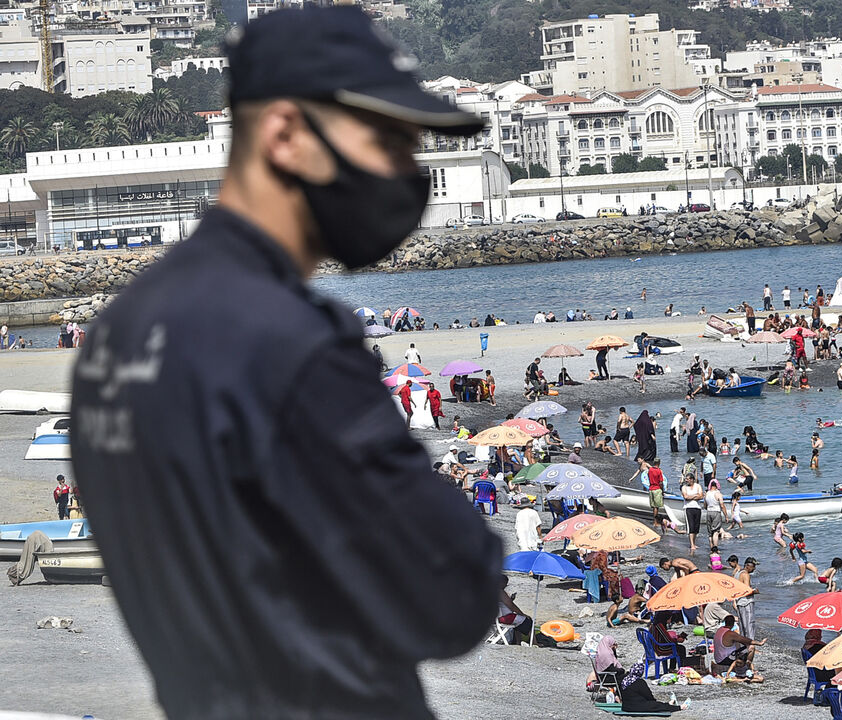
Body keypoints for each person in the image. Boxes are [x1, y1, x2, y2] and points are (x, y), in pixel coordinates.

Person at [66, 9, 504, 717]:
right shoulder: (286, 342)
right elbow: (452, 594)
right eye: (388, 142)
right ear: (285, 133)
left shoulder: (121, 331)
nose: (407, 173)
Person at [588, 636, 683, 714]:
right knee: (653, 704)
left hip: (626, 705)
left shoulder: (603, 651)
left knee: (624, 676)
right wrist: (621, 670)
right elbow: (649, 696)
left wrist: (614, 652)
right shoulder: (606, 654)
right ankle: (677, 707)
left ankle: (618, 697)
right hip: (608, 677)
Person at [712, 615, 765, 681]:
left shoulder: (720, 629)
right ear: (733, 623)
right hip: (724, 660)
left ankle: (745, 666)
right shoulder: (730, 633)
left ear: (725, 622)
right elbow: (747, 640)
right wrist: (759, 643)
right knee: (751, 647)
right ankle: (746, 667)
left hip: (718, 659)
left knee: (738, 643)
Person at [497, 575, 534, 643]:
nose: (506, 585)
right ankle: (534, 642)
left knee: (518, 621)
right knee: (528, 620)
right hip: (505, 617)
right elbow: (511, 605)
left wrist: (511, 599)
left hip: (498, 617)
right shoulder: (501, 592)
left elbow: (505, 603)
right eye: (505, 583)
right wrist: (522, 614)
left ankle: (518, 642)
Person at [734, 557, 759, 640]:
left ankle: (744, 645)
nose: (754, 568)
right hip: (746, 603)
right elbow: (747, 591)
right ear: (747, 566)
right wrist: (755, 591)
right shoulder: (745, 574)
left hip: (739, 602)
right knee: (749, 624)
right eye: (753, 566)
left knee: (742, 625)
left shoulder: (737, 573)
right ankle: (751, 644)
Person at [681, 474, 704, 553]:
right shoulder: (684, 487)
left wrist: (691, 496)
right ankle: (692, 544)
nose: (686, 480)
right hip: (688, 508)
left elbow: (701, 496)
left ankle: (694, 542)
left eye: (687, 479)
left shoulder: (698, 486)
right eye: (686, 479)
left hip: (697, 508)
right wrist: (695, 495)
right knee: (691, 526)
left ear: (692, 479)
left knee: (696, 527)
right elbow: (686, 497)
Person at [644, 459, 666, 529]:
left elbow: (648, 476)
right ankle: (656, 522)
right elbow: (661, 482)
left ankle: (655, 521)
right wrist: (662, 491)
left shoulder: (650, 470)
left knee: (653, 507)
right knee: (656, 507)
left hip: (651, 489)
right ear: (659, 463)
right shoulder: (659, 471)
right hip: (657, 489)